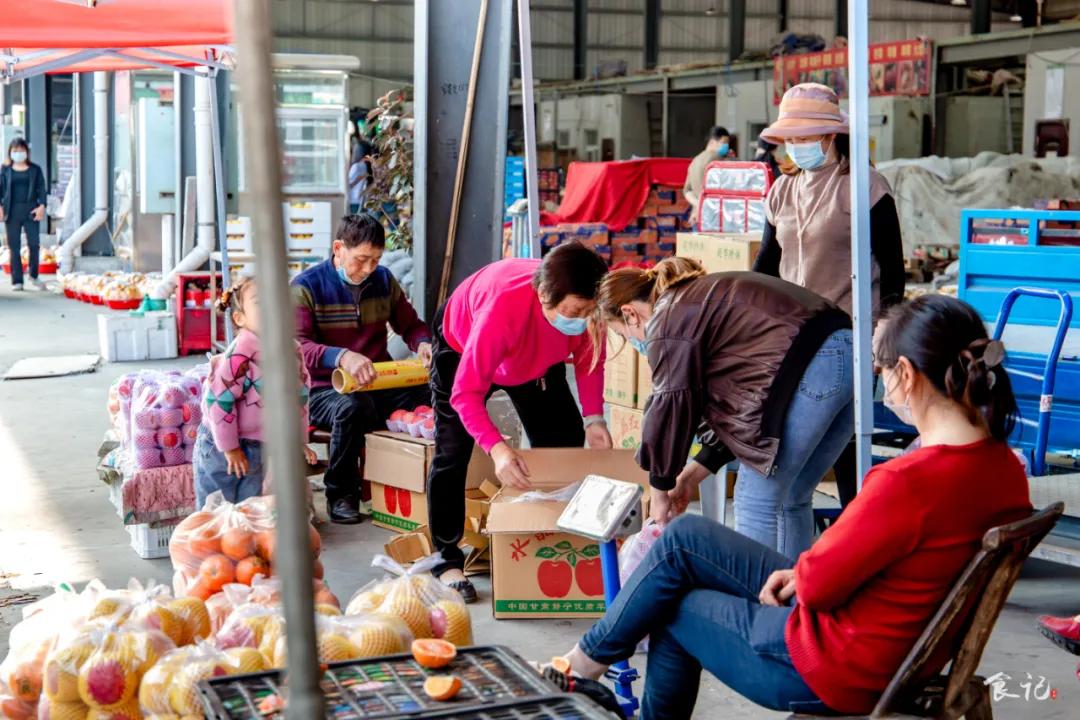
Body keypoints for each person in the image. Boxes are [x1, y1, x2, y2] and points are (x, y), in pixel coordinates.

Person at [560, 293, 1033, 719]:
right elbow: (837, 572)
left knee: (673, 604)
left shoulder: (908, 481)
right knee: (684, 539)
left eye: (880, 370)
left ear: (905, 375)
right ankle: (585, 664)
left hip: (837, 663)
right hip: (898, 643)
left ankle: (582, 668)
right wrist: (807, 573)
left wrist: (808, 575)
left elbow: (822, 589)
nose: (882, 382)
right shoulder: (1003, 468)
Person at [599, 258, 853, 557]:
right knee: (791, 496)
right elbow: (742, 411)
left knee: (753, 499)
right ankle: (791, 600)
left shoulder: (666, 319)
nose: (631, 342)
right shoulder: (694, 302)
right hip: (851, 355)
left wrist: (659, 491)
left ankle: (758, 597)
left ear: (630, 314)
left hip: (815, 364)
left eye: (621, 334)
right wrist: (690, 477)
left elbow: (669, 408)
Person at [426, 242, 613, 602]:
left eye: (588, 311)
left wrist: (594, 418)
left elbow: (592, 360)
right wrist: (497, 449)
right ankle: (446, 560)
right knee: (452, 452)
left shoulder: (584, 315)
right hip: (463, 345)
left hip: (534, 361)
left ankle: (553, 535)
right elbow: (464, 394)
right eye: (573, 310)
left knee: (565, 438)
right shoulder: (502, 309)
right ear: (544, 294)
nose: (581, 319)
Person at [753, 82, 906, 507]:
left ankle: (856, 526)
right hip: (790, 337)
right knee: (796, 441)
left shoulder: (865, 188)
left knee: (846, 445)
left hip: (847, 336)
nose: (795, 147)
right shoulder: (782, 190)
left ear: (829, 135)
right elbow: (767, 262)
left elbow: (893, 269)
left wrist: (884, 335)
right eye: (791, 139)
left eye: (804, 138)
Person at [293, 214, 433, 524]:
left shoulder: (383, 280)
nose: (369, 268)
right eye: (361, 260)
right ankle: (342, 493)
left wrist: (422, 343)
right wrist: (342, 356)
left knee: (432, 396)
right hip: (322, 389)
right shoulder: (306, 287)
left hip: (377, 381)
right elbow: (297, 346)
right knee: (353, 408)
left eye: (376, 260)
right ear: (338, 248)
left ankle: (421, 484)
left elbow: (410, 325)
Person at [196, 277, 317, 509]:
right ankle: (213, 544)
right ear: (240, 319)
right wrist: (230, 448)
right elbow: (219, 401)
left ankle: (243, 544)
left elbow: (299, 399)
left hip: (259, 445)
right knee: (215, 510)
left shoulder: (293, 352)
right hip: (222, 445)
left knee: (249, 509)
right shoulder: (240, 354)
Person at [0, 138, 48, 291]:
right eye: (15, 151)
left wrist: (42, 205)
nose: (18, 154)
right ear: (10, 152)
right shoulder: (5, 170)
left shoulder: (35, 169)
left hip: (31, 211)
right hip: (11, 211)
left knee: (34, 244)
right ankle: (17, 280)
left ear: (27, 152)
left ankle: (33, 275)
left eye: (21, 150)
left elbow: (41, 188)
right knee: (14, 246)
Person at [683, 126, 734, 219]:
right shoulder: (719, 159)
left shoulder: (695, 160)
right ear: (712, 142)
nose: (726, 146)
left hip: (698, 214)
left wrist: (698, 204)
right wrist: (733, 159)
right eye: (724, 142)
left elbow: (687, 191)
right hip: (716, 215)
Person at [347, 142, 370, 214]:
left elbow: (349, 185)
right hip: (357, 200)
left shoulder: (358, 166)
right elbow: (349, 185)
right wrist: (360, 178)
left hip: (356, 199)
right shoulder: (361, 166)